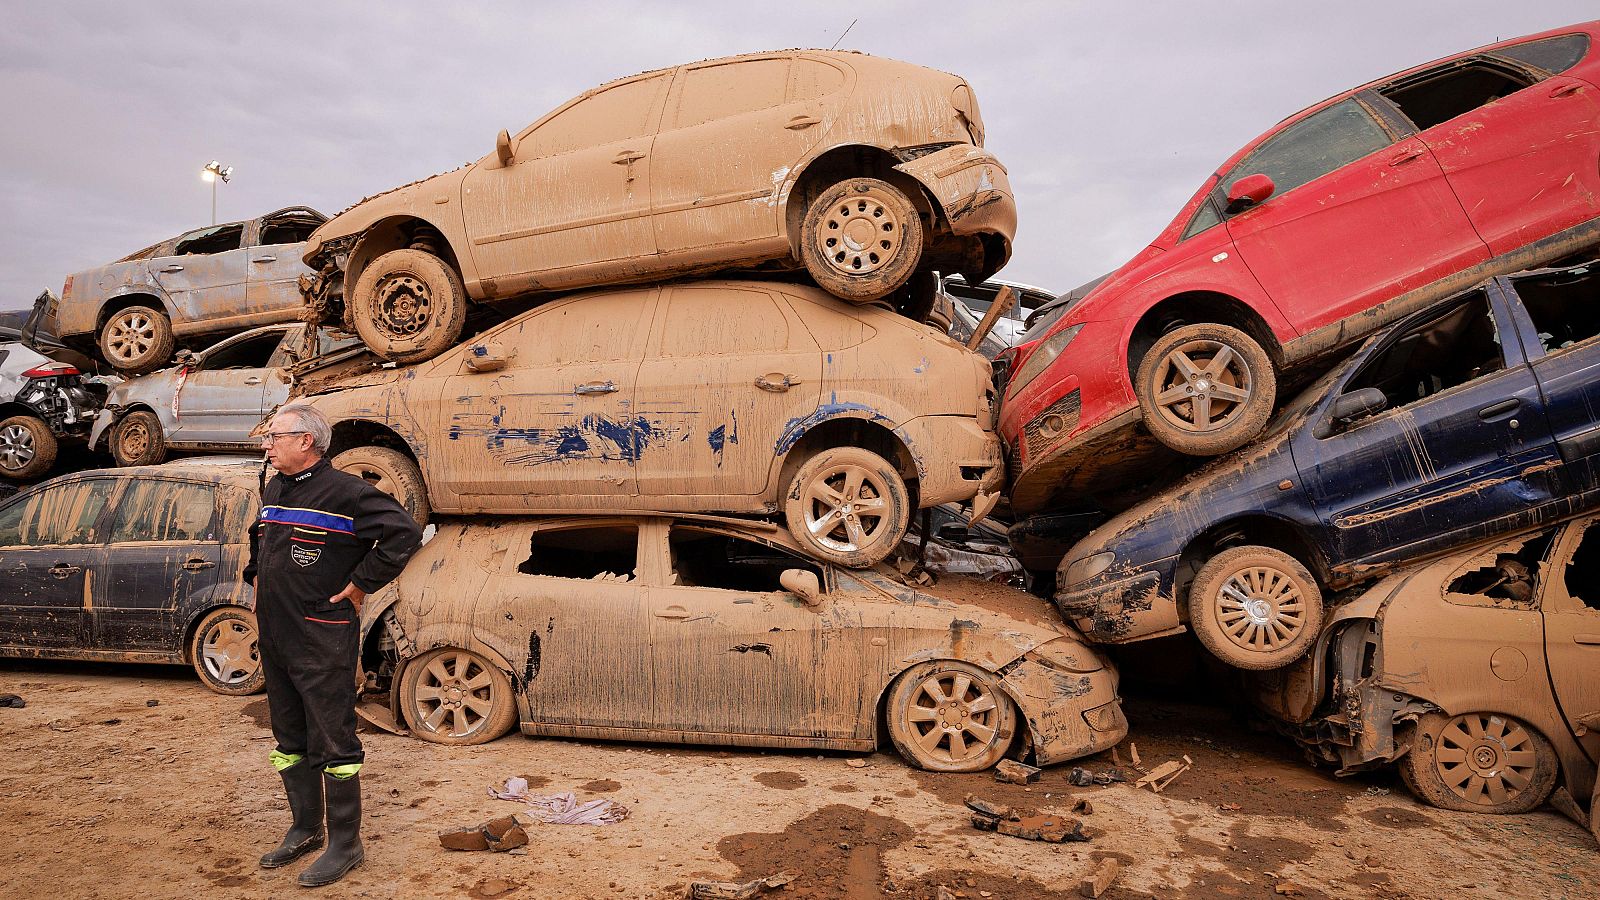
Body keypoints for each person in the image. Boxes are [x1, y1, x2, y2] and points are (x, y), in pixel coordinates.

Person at [244, 401, 423, 888]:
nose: (267, 445)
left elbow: (404, 533)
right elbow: (261, 537)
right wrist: (256, 575)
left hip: (320, 635)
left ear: (306, 441)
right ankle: (305, 828)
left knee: (332, 738)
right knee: (289, 736)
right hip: (276, 633)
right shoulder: (275, 485)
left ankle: (346, 844)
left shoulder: (348, 493)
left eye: (275, 436)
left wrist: (362, 583)